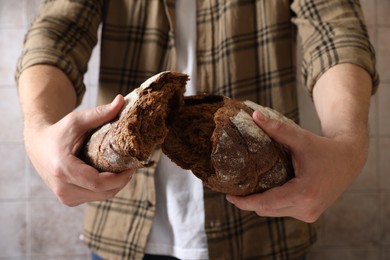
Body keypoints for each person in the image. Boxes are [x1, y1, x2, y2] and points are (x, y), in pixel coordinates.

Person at [16, 0, 378, 259]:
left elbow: (334, 29)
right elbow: (57, 31)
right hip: (125, 232)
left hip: (265, 231)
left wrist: (347, 144)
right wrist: (38, 132)